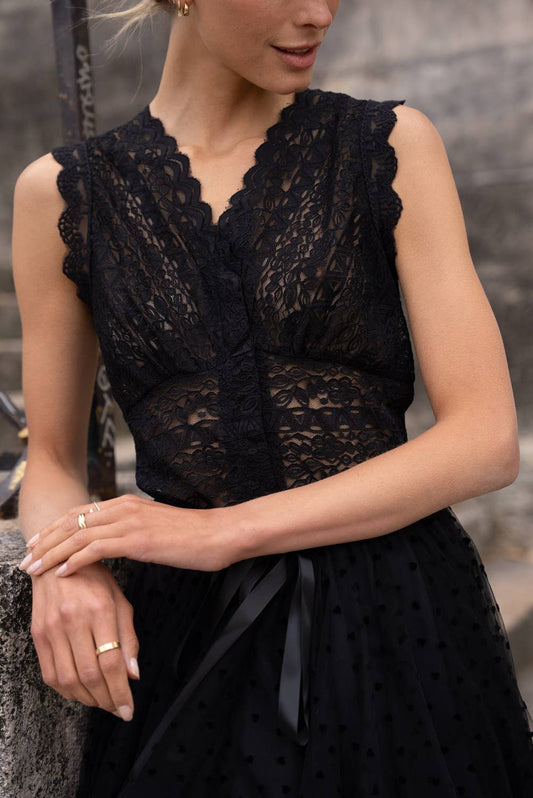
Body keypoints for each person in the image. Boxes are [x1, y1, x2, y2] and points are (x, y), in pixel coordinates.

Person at [11, 0, 533, 795]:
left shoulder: (387, 145)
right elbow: (50, 457)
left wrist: (226, 531)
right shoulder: (64, 194)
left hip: (397, 622)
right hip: (184, 641)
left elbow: (484, 440)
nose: (317, 13)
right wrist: (63, 569)